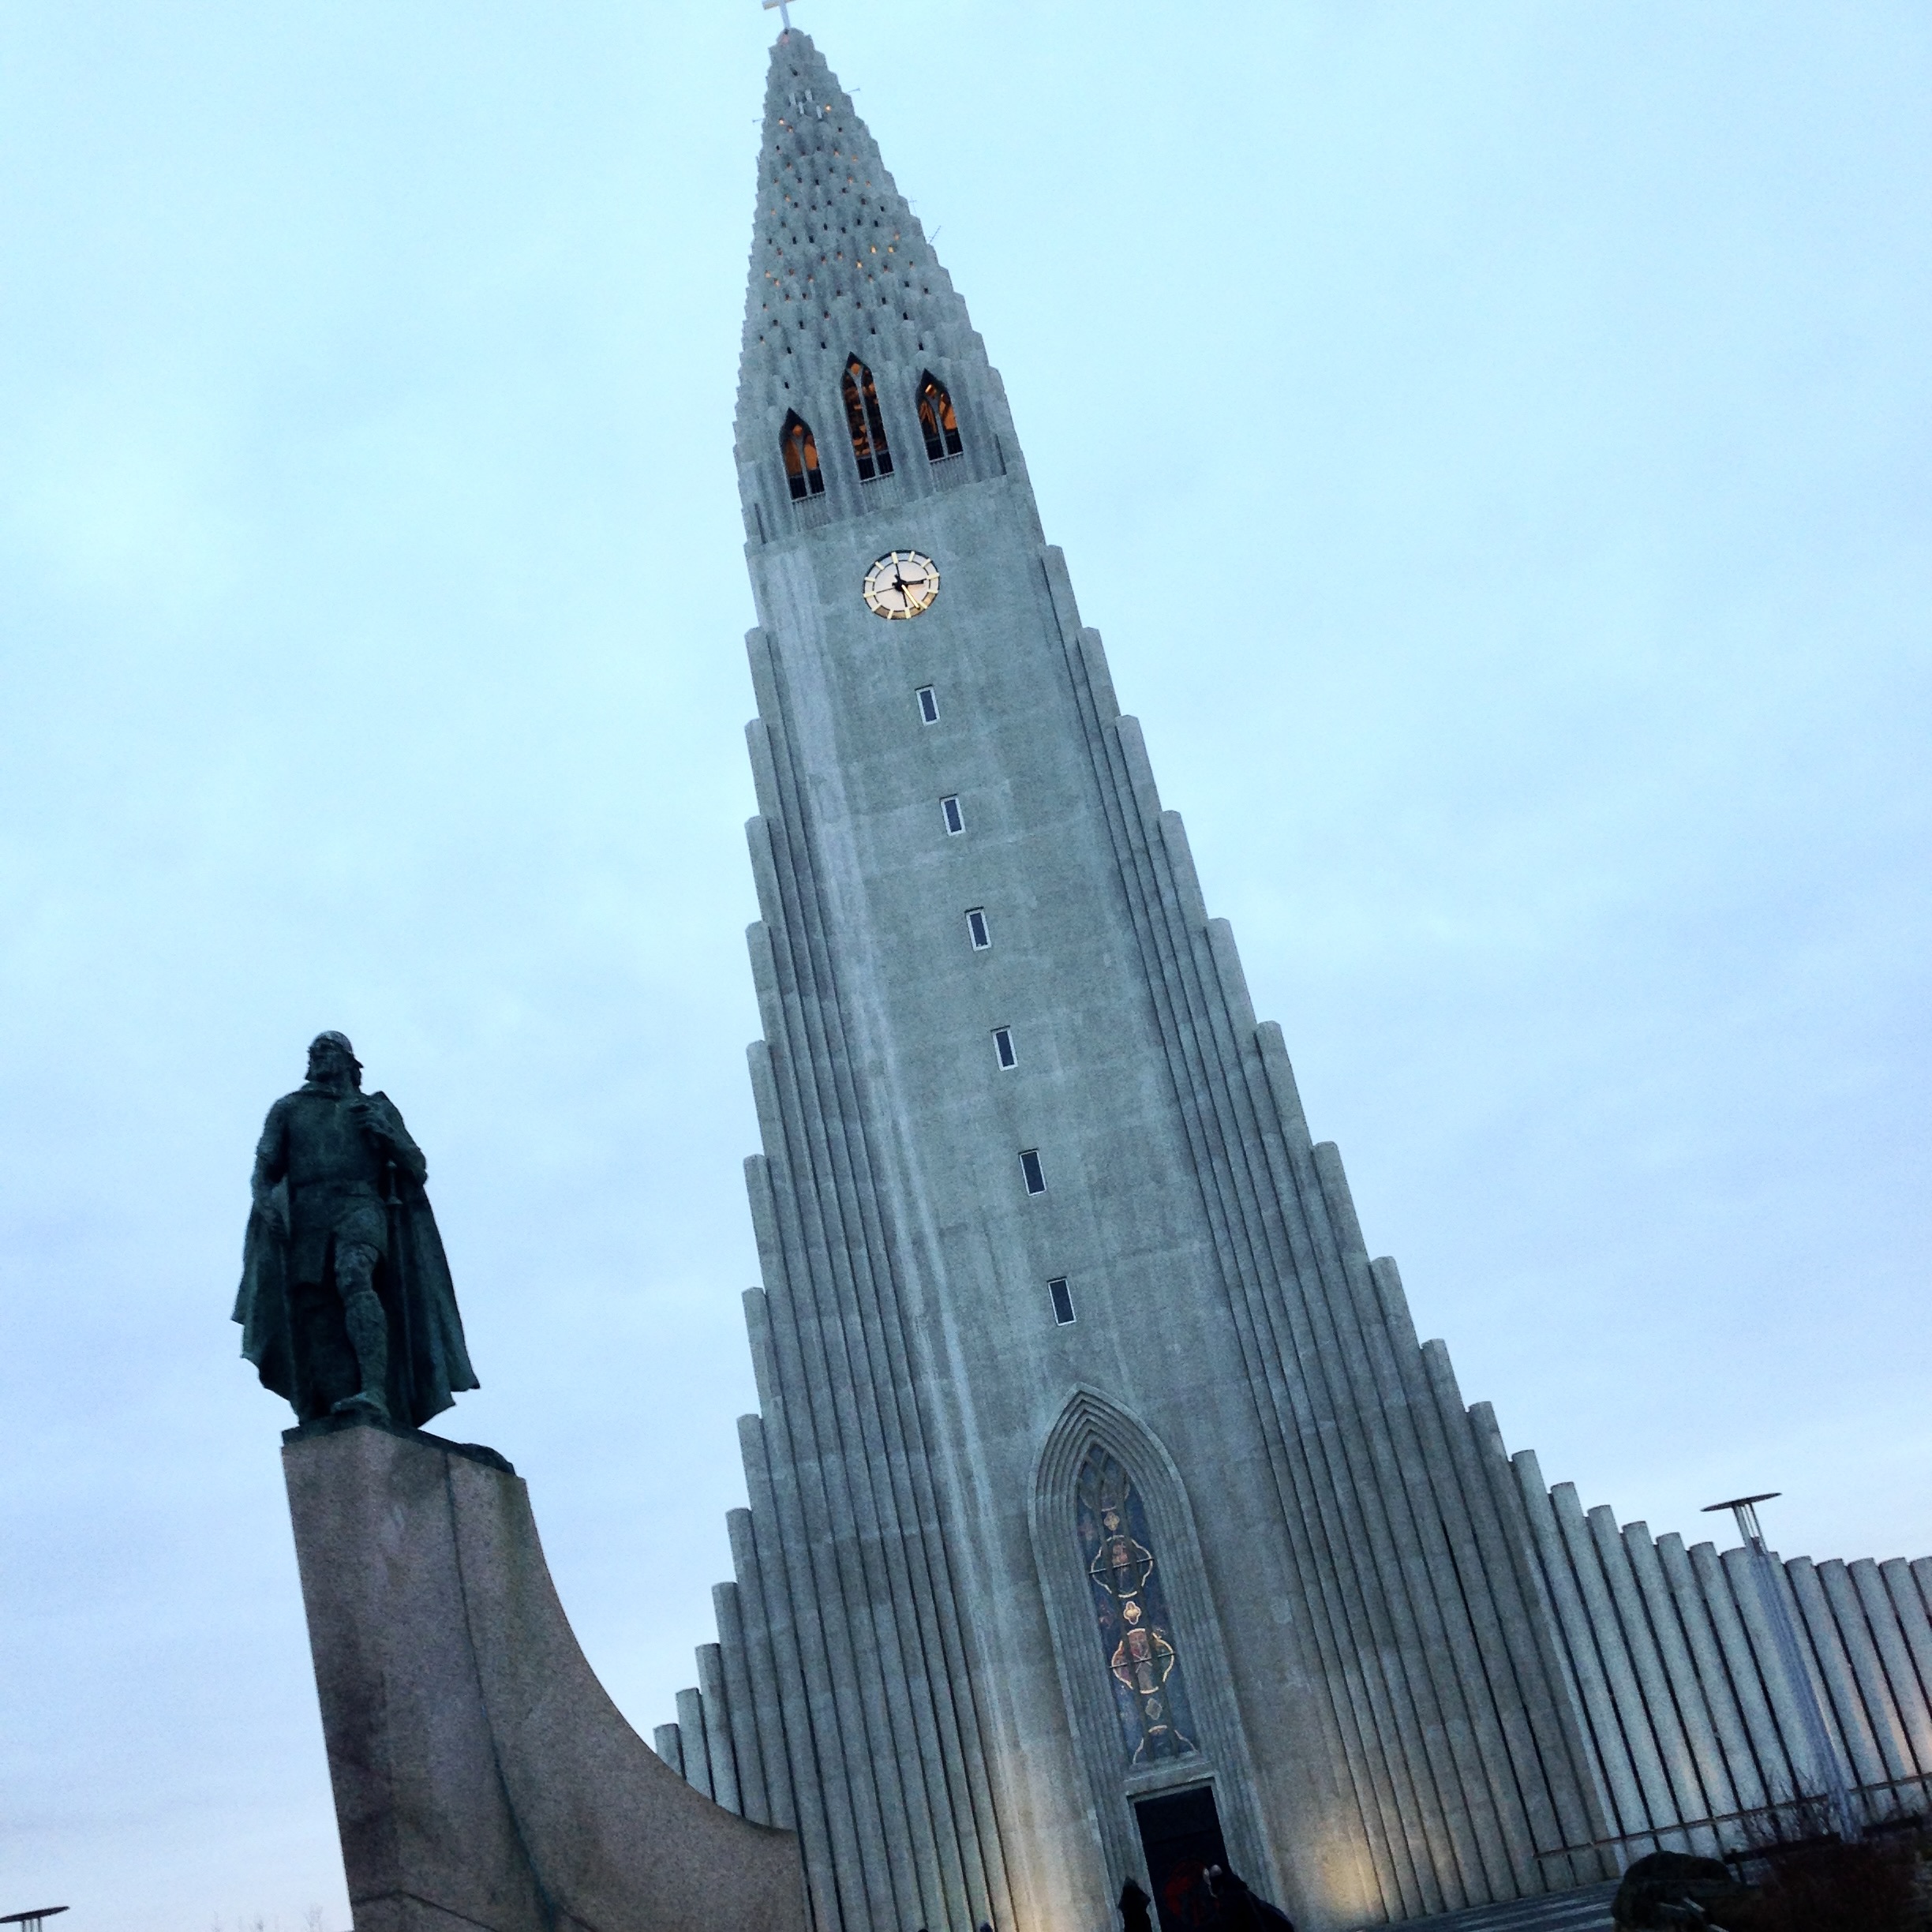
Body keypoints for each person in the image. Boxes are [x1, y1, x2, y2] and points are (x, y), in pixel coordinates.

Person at [234, 1032, 477, 1426]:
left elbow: (416, 1167)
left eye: (327, 1049)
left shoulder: (374, 1108)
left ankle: (375, 1390)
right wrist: (265, 1204)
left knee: (354, 1276)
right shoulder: (289, 1109)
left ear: (350, 1061)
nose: (317, 1056)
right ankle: (336, 1396)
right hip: (308, 1215)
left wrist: (387, 1135)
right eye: (313, 1052)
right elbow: (263, 1172)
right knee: (317, 1308)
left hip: (361, 1205)